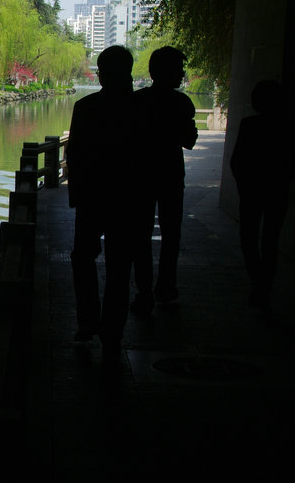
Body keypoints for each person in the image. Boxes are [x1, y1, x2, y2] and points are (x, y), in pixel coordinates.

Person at [67, 45, 144, 358]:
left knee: (83, 257)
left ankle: (88, 322)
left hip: (93, 197)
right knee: (119, 265)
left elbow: (74, 154)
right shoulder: (141, 109)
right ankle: (112, 329)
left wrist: (76, 197)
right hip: (128, 199)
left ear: (101, 74)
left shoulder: (86, 107)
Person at [130, 46, 198, 314]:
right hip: (170, 176)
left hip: (141, 176)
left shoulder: (136, 102)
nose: (182, 75)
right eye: (179, 70)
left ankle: (143, 291)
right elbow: (189, 141)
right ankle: (166, 287)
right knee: (171, 234)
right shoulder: (181, 104)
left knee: (140, 236)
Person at [230, 79, 291, 311]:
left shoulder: (249, 125)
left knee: (248, 238)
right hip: (277, 191)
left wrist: (244, 187)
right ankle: (264, 285)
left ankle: (258, 281)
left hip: (252, 191)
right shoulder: (288, 127)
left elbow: (237, 161)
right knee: (270, 241)